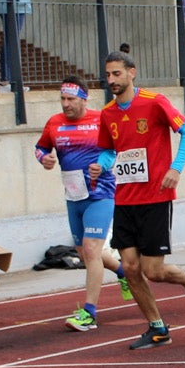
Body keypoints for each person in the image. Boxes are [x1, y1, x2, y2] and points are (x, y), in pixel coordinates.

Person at [97, 52, 185, 347]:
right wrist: (102, 163)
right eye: (108, 75)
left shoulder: (154, 101)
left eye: (116, 74)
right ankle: (157, 326)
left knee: (153, 270)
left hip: (155, 196)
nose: (111, 80)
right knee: (130, 267)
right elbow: (110, 150)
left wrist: (176, 168)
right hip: (124, 199)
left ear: (131, 73)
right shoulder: (107, 113)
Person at [35, 81, 126, 331]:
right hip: (73, 197)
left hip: (101, 194)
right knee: (87, 254)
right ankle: (123, 272)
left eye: (71, 100)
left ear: (85, 99)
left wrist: (104, 164)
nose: (66, 104)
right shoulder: (54, 122)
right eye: (63, 99)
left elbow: (117, 148)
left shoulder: (101, 119)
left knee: (91, 248)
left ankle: (89, 313)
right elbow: (40, 147)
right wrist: (45, 158)